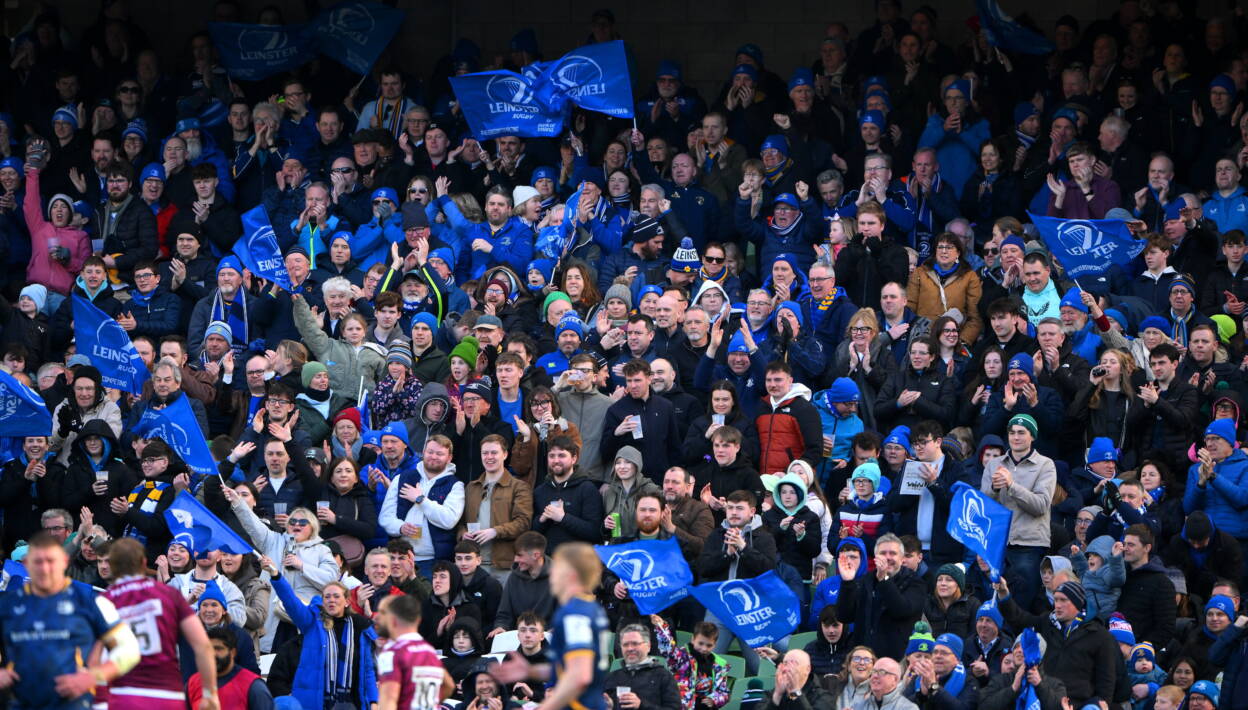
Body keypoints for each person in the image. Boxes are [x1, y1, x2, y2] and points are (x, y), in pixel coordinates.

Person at [0, 533, 142, 710]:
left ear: (64, 562)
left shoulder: (91, 600)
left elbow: (129, 650)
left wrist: (93, 676)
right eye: (38, 562)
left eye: (51, 561)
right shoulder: (7, 603)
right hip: (20, 703)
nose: (44, 568)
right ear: (26, 564)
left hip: (74, 703)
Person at [104, 538, 218, 710]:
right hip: (167, 695)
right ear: (143, 562)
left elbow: (94, 655)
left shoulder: (104, 602)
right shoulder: (169, 594)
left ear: (111, 566)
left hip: (125, 695)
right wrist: (210, 694)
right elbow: (203, 646)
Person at [495, 543, 610, 710]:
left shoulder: (575, 613)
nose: (551, 573)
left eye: (557, 568)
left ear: (570, 575)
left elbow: (579, 676)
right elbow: (570, 668)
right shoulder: (590, 608)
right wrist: (530, 671)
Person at [993, 576, 1118, 708]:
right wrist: (1004, 594)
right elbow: (1019, 619)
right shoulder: (1047, 622)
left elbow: (1106, 682)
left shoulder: (1099, 635)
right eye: (1056, 599)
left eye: (1063, 600)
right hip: (1043, 699)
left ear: (1078, 603)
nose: (1057, 605)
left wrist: (1100, 705)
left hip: (1077, 704)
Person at [980, 414, 1056, 609]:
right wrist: (995, 490)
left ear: (1032, 436)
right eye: (1012, 432)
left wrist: (1011, 486)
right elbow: (982, 508)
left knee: (1021, 605)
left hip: (1028, 544)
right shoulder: (994, 464)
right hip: (997, 543)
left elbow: (1041, 505)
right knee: (992, 602)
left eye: (1022, 433)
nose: (1016, 437)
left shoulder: (1045, 465)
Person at [836, 533, 926, 662]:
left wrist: (883, 580)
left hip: (896, 660)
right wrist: (848, 582)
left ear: (901, 559)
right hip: (864, 660)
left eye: (893, 553)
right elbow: (844, 616)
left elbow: (902, 610)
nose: (888, 557)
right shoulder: (865, 580)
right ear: (875, 557)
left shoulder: (915, 582)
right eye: (883, 553)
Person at [189, 626, 272, 710]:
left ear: (233, 652)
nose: (212, 654)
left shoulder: (254, 687)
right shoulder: (193, 682)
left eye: (218, 649)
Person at [603, 623, 681, 710]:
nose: (630, 648)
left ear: (648, 646)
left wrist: (641, 705)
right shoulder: (611, 677)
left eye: (635, 644)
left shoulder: (663, 676)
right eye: (625, 644)